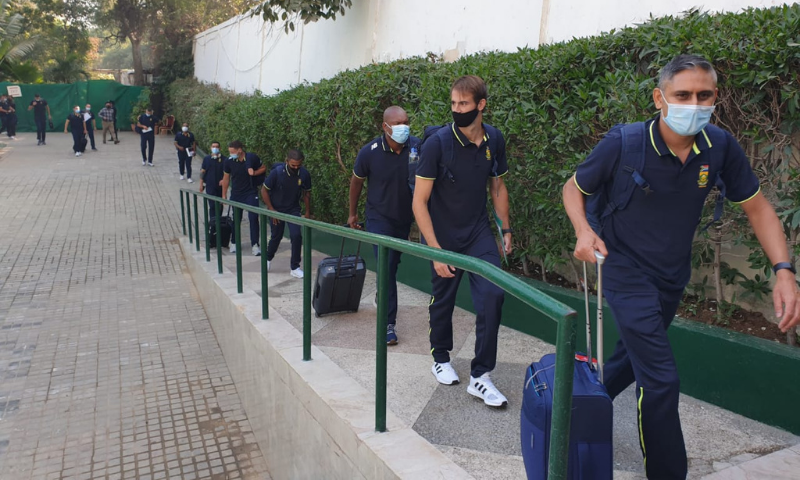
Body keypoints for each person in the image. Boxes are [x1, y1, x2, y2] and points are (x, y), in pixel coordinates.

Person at [562, 54, 800, 480]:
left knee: (629, 359)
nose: (694, 103)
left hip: (671, 276)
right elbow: (573, 188)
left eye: (704, 95)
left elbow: (759, 209)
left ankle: (574, 411)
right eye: (682, 94)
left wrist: (784, 270)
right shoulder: (625, 142)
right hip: (621, 268)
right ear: (659, 97)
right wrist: (583, 230)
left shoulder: (719, 146)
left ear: (715, 98)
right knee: (660, 380)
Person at [412, 75, 513, 408]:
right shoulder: (437, 144)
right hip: (442, 234)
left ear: (481, 105)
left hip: (478, 232)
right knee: (443, 299)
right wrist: (435, 250)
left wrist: (505, 229)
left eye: (464, 104)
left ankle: (481, 376)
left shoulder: (493, 140)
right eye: (453, 104)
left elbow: (497, 188)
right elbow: (419, 201)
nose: (457, 110)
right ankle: (440, 356)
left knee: (493, 295)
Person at [349, 106, 418, 345]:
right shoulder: (369, 152)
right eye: (398, 123)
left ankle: (382, 292)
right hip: (378, 219)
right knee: (386, 266)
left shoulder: (417, 147)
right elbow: (356, 182)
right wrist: (352, 214)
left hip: (403, 219)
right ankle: (388, 324)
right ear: (385, 127)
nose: (403, 127)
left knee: (392, 265)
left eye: (406, 122)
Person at [262, 149, 312, 278]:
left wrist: (307, 212)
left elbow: (307, 193)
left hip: (293, 209)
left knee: (296, 236)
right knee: (276, 237)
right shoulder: (277, 173)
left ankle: (295, 267)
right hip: (276, 209)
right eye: (293, 165)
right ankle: (267, 258)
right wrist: (271, 210)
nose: (295, 167)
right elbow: (264, 191)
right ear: (287, 161)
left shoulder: (304, 174)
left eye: (298, 165)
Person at [221, 140, 264, 256]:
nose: (231, 154)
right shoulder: (228, 162)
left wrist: (254, 173)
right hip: (236, 194)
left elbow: (263, 168)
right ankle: (234, 242)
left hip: (250, 192)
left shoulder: (251, 158)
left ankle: (255, 245)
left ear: (240, 150)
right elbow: (226, 178)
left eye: (233, 152)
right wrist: (224, 195)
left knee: (253, 218)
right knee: (236, 218)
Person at [199, 141, 227, 225]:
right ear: (211, 148)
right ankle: (212, 222)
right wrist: (201, 184)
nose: (215, 148)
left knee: (219, 205)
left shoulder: (224, 159)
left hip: (220, 187)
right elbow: (203, 171)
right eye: (213, 146)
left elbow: (227, 173)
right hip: (210, 186)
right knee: (212, 205)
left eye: (217, 146)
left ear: (220, 148)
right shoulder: (207, 159)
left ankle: (218, 221)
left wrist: (224, 180)